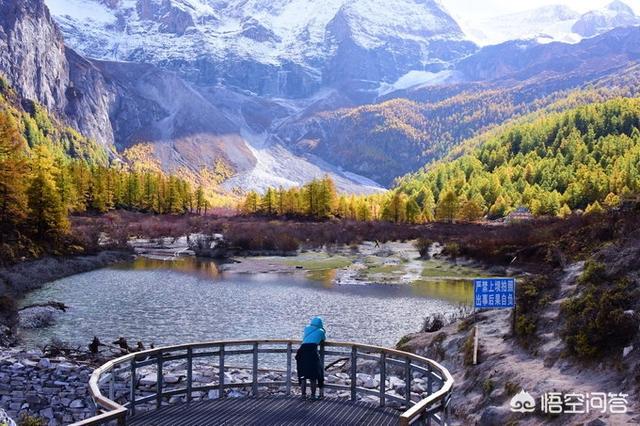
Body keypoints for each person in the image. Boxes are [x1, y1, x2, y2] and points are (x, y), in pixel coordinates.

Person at [295, 316, 326, 400]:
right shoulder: (321, 331)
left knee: (303, 375)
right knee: (314, 375)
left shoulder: (306, 328)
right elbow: (323, 339)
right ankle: (313, 395)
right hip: (312, 352)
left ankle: (303, 395)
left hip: (302, 351)